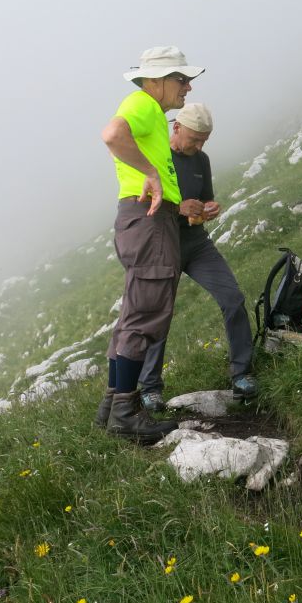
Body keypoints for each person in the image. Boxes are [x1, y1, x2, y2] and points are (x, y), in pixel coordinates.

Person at [95, 46, 204, 442]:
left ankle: (112, 405)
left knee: (133, 313)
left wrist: (177, 203)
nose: (187, 86)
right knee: (145, 315)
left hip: (149, 218)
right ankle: (127, 411)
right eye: (180, 79)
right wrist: (152, 173)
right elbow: (112, 135)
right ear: (155, 80)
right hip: (148, 222)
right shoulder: (141, 102)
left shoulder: (153, 113)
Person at [136, 102, 258, 412]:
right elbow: (140, 208)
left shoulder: (201, 160)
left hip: (196, 244)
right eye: (194, 139)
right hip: (164, 246)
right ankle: (150, 389)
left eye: (204, 140)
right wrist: (177, 208)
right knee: (159, 315)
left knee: (232, 298)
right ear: (176, 128)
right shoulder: (156, 158)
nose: (199, 146)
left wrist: (209, 210)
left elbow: (204, 202)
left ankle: (242, 375)